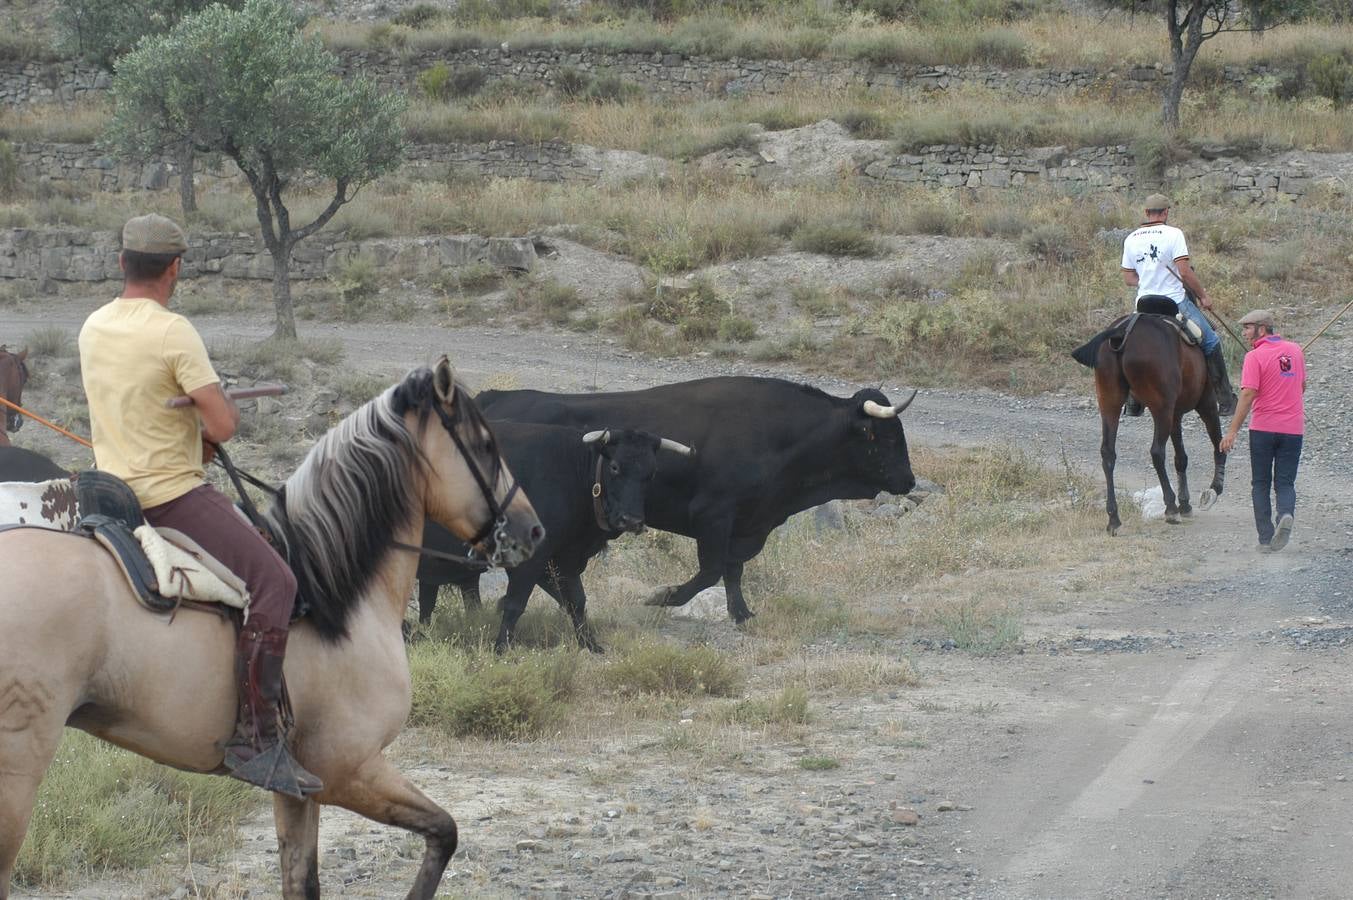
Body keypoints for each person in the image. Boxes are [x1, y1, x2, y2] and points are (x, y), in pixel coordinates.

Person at [78, 214, 322, 798]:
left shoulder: (93, 325)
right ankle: (255, 741)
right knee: (276, 583)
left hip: (107, 490)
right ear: (176, 269)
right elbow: (223, 424)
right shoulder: (172, 331)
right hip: (168, 496)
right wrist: (208, 415)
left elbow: (140, 405)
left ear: (121, 263)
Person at [1121, 193, 1236, 416]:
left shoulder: (1131, 238)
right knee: (1211, 341)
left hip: (1143, 305)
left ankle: (1132, 401)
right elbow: (1184, 273)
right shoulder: (1174, 234)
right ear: (1165, 213)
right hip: (1174, 301)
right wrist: (1203, 296)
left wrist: (1147, 279)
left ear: (1146, 213)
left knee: (1127, 344)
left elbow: (1128, 279)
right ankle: (1225, 400)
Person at [1219, 309, 1307, 552]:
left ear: (1262, 328)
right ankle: (1285, 515)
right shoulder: (1296, 351)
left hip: (1263, 429)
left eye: (1248, 328)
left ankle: (1266, 539)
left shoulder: (1254, 357)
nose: (1245, 333)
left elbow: (1247, 395)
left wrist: (1232, 431)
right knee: (1285, 483)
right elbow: (1301, 387)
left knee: (1260, 482)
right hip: (1293, 429)